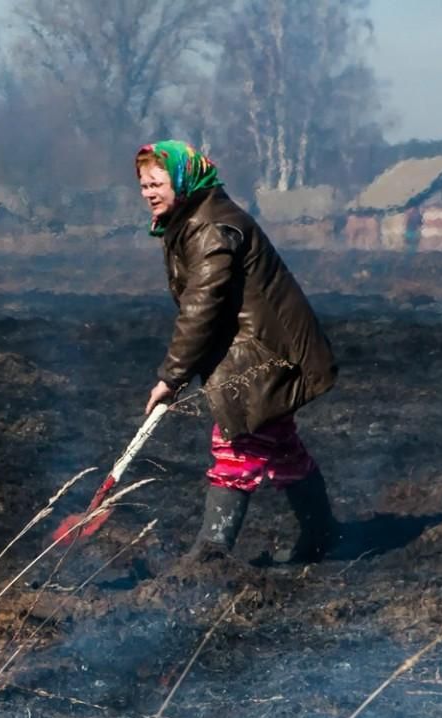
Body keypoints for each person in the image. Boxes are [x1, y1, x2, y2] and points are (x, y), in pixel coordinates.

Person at [137, 140, 340, 563]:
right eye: (143, 185)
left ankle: (210, 556)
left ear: (182, 180)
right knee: (279, 446)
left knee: (237, 444)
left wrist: (171, 377)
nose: (149, 192)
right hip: (260, 350)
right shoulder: (192, 220)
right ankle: (322, 535)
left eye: (157, 183)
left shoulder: (209, 227)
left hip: (266, 355)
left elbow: (202, 306)